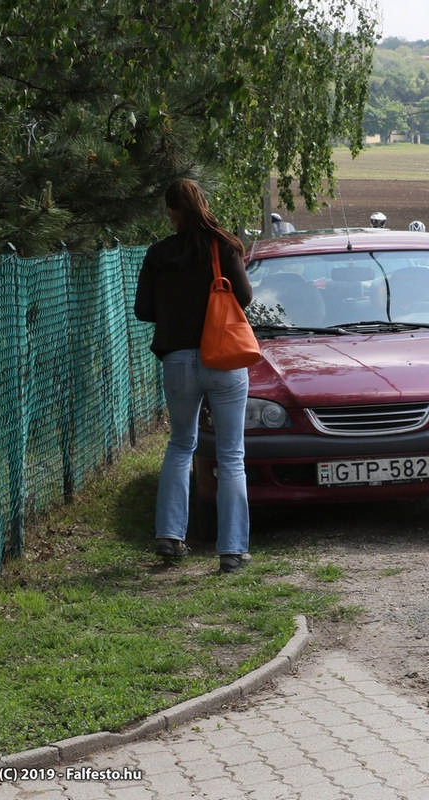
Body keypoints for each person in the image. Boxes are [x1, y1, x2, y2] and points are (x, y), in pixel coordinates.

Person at [134, 178, 253, 574]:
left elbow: (143, 310)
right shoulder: (223, 246)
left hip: (180, 361)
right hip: (224, 358)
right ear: (202, 203)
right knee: (231, 454)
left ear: (172, 211)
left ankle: (169, 536)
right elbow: (246, 297)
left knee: (181, 444)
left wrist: (176, 308)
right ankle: (232, 551)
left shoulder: (158, 254)